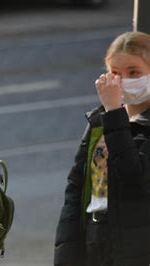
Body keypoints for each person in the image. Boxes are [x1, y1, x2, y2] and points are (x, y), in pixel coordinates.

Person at [54, 31, 150, 266]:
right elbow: (75, 190)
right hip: (96, 239)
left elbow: (135, 177)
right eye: (115, 73)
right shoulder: (101, 120)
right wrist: (66, 256)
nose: (122, 80)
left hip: (136, 247)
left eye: (134, 72)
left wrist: (115, 112)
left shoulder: (114, 116)